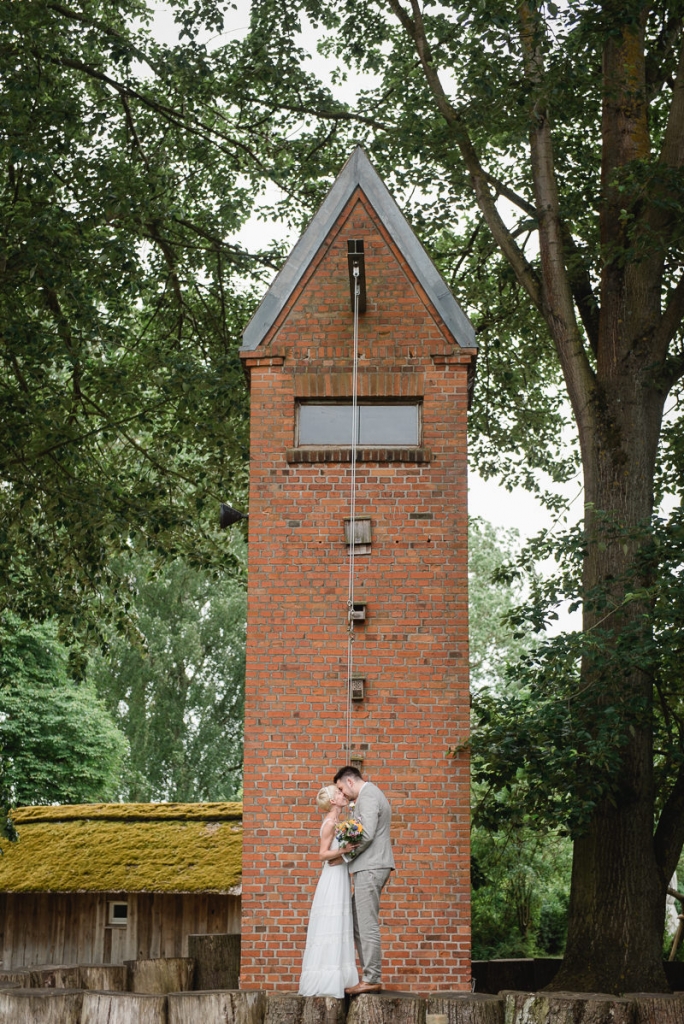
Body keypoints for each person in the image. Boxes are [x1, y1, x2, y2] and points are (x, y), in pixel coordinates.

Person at [333, 765, 395, 994]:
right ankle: (369, 976)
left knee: (366, 923)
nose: (343, 794)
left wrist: (344, 855)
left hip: (371, 866)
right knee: (357, 920)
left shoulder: (368, 795)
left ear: (350, 781)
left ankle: (372, 978)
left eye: (341, 788)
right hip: (370, 865)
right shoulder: (370, 795)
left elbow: (366, 833)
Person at [298, 784, 359, 998]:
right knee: (330, 923)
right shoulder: (330, 823)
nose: (343, 795)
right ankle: (326, 979)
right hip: (332, 878)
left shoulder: (340, 823)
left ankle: (341, 977)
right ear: (333, 801)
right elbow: (322, 854)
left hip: (341, 875)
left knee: (341, 923)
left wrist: (346, 852)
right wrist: (344, 850)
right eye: (339, 793)